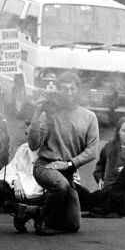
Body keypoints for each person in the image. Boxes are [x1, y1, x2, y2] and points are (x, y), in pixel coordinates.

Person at [27, 71, 99, 235]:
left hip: (67, 171)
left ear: (78, 90)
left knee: (73, 225)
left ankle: (30, 212)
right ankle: (42, 219)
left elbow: (91, 151)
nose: (69, 92)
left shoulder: (89, 117)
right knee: (60, 185)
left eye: (72, 88)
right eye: (64, 88)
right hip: (45, 165)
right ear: (58, 91)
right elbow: (33, 145)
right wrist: (37, 113)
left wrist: (69, 163)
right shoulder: (50, 114)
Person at [78, 117, 125, 213]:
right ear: (118, 131)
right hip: (108, 189)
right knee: (91, 198)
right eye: (124, 131)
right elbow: (100, 166)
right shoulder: (109, 147)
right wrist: (100, 179)